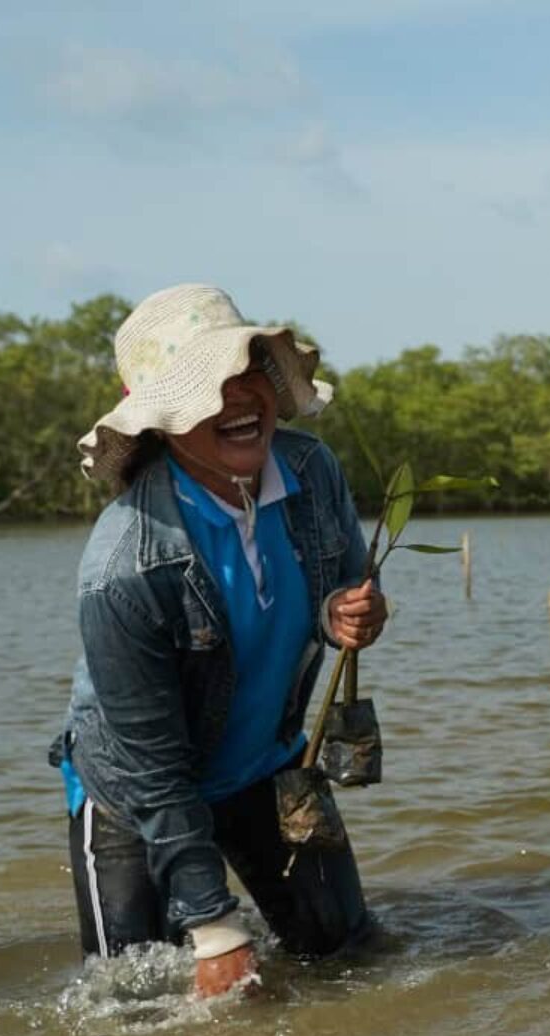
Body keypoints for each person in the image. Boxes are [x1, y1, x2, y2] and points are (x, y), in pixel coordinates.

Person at [50, 283, 386, 998]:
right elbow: (154, 772)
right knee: (134, 1002)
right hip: (136, 792)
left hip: (265, 763)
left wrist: (340, 613)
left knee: (350, 958)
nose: (237, 397)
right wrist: (215, 928)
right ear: (162, 422)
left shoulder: (311, 471)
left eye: (249, 371)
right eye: (205, 387)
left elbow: (337, 584)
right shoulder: (123, 569)